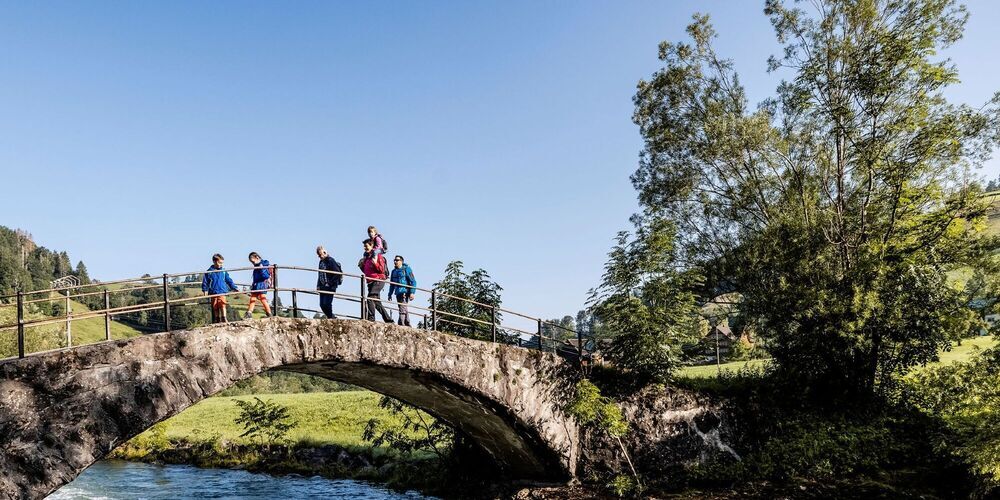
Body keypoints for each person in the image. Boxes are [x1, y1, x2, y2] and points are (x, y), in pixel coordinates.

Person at [359, 239, 392, 323]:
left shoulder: (377, 256)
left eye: (366, 246)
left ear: (372, 246)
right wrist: (362, 266)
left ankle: (371, 318)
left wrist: (375, 263)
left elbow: (381, 270)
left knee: (370, 298)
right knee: (377, 302)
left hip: (378, 280)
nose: (365, 248)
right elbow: (367, 271)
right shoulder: (367, 257)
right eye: (364, 246)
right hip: (371, 282)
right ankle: (388, 320)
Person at [202, 253, 238, 323]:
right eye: (219, 263)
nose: (221, 264)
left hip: (222, 291)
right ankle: (217, 318)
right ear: (214, 261)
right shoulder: (209, 272)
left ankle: (224, 317)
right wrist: (205, 290)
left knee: (222, 304)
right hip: (213, 291)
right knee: (215, 306)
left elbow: (228, 280)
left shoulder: (223, 271)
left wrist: (234, 287)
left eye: (222, 263)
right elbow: (205, 282)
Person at [387, 255, 416, 326]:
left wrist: (412, 292)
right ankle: (407, 322)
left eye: (397, 260)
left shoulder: (406, 269)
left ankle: (401, 323)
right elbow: (392, 284)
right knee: (402, 307)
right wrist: (390, 294)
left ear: (401, 261)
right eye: (394, 260)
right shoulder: (393, 271)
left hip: (405, 292)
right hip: (397, 292)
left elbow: (413, 281)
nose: (395, 261)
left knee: (402, 307)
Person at [243, 252, 273, 319]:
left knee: (262, 298)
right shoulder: (257, 265)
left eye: (253, 261)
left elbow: (266, 276)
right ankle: (249, 313)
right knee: (253, 298)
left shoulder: (263, 265)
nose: (252, 263)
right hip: (257, 284)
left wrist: (261, 269)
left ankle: (269, 313)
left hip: (262, 284)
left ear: (257, 257)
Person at [316, 246, 343, 319]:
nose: (319, 257)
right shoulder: (321, 262)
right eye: (318, 255)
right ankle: (331, 317)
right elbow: (320, 274)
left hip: (330, 286)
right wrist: (318, 285)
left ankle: (331, 318)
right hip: (322, 286)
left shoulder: (330, 260)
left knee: (327, 304)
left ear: (325, 253)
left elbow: (337, 273)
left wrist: (330, 283)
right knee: (322, 305)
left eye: (320, 255)